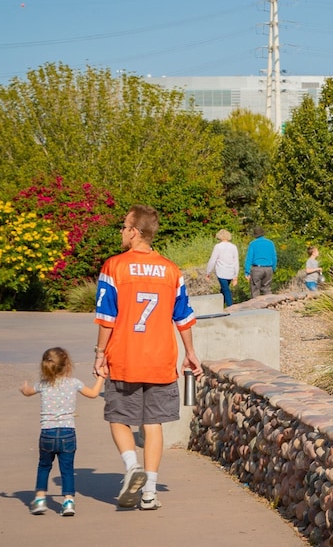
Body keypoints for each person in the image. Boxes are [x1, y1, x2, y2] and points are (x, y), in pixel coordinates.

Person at [92, 205, 203, 511]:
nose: (121, 231)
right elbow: (183, 317)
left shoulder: (114, 266)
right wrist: (190, 353)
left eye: (124, 226)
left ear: (135, 232)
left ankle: (132, 467)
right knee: (153, 423)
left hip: (124, 356)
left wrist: (100, 353)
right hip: (161, 359)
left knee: (118, 418)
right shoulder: (171, 270)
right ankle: (150, 491)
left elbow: (106, 317)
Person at [19, 347, 105, 516]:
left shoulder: (42, 385)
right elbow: (94, 394)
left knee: (44, 466)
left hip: (47, 433)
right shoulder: (74, 383)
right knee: (67, 469)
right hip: (68, 433)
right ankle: (68, 502)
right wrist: (101, 377)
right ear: (67, 366)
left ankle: (40, 498)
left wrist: (24, 388)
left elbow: (28, 392)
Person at [205, 229, 239, 307]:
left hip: (221, 272)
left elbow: (213, 260)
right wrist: (235, 275)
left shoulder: (218, 247)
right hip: (231, 271)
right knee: (224, 289)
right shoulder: (233, 247)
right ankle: (219, 305)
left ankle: (230, 306)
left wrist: (208, 272)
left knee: (225, 289)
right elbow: (236, 261)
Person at [243, 226, 277, 297]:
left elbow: (249, 258)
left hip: (257, 268)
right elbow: (274, 257)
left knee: (255, 290)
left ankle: (256, 307)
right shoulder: (270, 243)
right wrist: (273, 268)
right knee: (267, 289)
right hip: (268, 268)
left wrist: (247, 272)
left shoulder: (253, 244)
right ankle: (268, 304)